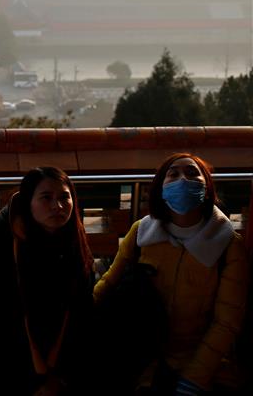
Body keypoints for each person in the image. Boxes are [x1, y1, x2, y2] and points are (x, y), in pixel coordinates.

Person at [94, 153, 248, 395]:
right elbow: (107, 285)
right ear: (160, 188)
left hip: (208, 368)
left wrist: (194, 379)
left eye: (192, 173)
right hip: (144, 362)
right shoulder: (141, 233)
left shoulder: (229, 245)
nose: (183, 180)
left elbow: (227, 322)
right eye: (173, 174)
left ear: (207, 187)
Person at [0, 167, 94, 396]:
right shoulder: (3, 255)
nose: (57, 206)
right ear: (28, 202)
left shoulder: (76, 247)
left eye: (64, 197)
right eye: (46, 197)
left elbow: (82, 317)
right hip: (12, 377)